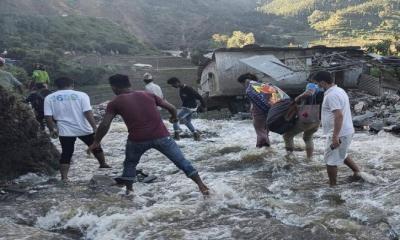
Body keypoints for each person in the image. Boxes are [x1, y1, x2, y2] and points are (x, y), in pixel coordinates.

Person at [88, 74, 209, 195]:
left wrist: (96, 142)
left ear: (114, 87)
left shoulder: (115, 102)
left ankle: (129, 191)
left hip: (137, 140)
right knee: (181, 161)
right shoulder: (148, 95)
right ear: (129, 84)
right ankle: (202, 186)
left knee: (130, 163)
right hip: (162, 136)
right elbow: (171, 107)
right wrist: (173, 117)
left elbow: (104, 125)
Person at [44, 77, 110, 182]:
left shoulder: (49, 98)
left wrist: (52, 129)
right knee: (95, 146)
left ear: (56, 86)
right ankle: (103, 164)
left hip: (65, 131)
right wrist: (94, 127)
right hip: (84, 128)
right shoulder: (82, 95)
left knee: (66, 153)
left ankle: (64, 178)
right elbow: (87, 112)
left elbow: (47, 116)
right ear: (72, 84)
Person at [313, 71, 361, 186]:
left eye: (317, 83)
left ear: (323, 82)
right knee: (341, 154)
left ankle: (332, 187)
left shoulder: (331, 95)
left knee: (330, 161)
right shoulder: (339, 90)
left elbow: (339, 115)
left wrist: (335, 136)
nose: (317, 86)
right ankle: (358, 172)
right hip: (346, 131)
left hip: (339, 133)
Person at [282, 77, 324, 160]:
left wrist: (299, 97)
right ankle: (309, 158)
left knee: (287, 135)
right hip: (318, 119)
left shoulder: (311, 85)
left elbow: (308, 93)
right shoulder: (323, 89)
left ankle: (289, 158)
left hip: (308, 117)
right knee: (307, 137)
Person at [237, 73, 270, 148]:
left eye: (242, 83)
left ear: (245, 81)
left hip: (258, 113)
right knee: (265, 131)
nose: (242, 85)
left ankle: (262, 148)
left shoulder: (250, 89)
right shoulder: (264, 87)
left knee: (260, 131)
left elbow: (253, 103)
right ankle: (265, 148)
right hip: (268, 112)